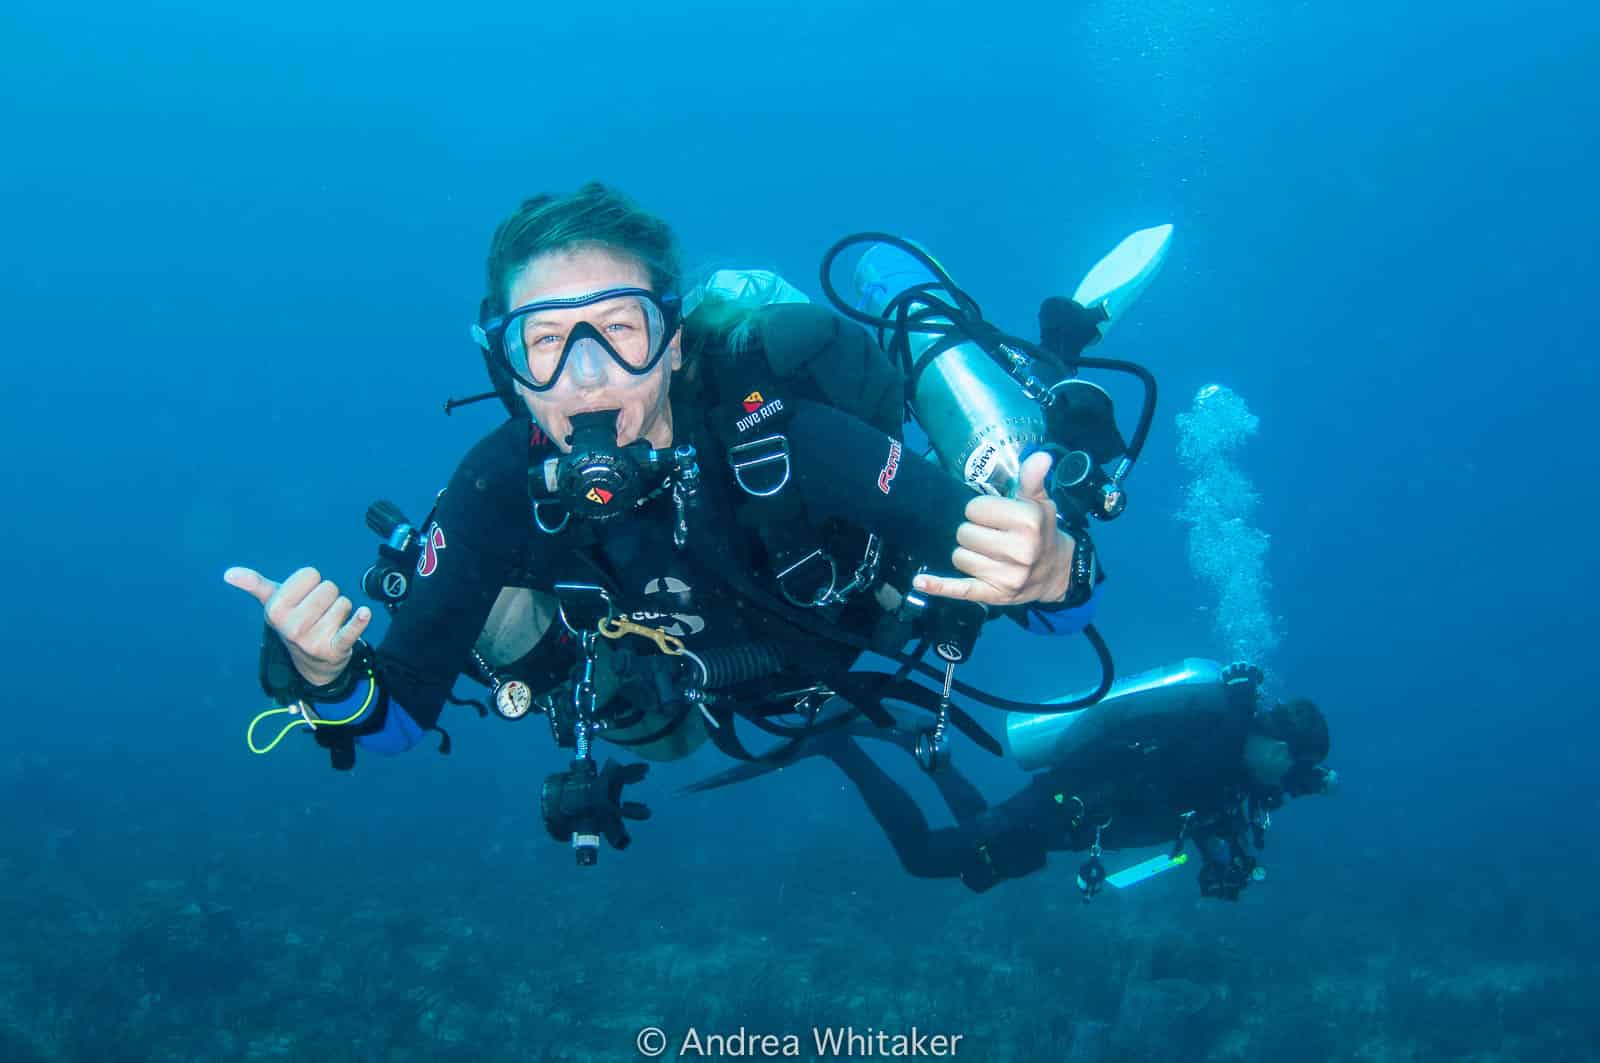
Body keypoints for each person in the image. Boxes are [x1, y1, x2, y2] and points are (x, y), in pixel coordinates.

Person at [223, 183, 1110, 858]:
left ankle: (1049, 363)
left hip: (855, 629)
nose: (588, 375)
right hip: (683, 690)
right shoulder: (497, 486)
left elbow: (1049, 600)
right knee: (615, 704)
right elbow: (398, 722)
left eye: (621, 329)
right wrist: (329, 680)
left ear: (674, 342)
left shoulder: (788, 436)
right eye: (545, 341)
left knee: (1014, 505)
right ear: (511, 370)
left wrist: (1056, 570)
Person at [688, 660, 1336, 900]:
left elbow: (1195, 815)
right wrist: (1057, 792)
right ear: (1277, 740)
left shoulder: (1237, 771)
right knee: (930, 858)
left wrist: (1221, 859)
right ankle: (837, 747)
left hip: (1073, 821)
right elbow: (1117, 742)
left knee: (979, 843)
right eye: (1289, 761)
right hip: (1069, 799)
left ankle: (927, 750)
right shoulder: (1215, 733)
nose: (1285, 776)